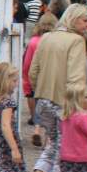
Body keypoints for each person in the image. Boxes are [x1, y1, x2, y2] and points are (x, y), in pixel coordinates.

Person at [26, 4, 87, 172]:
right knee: (64, 148)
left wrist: (39, 90)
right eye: (85, 20)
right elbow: (76, 76)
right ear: (73, 19)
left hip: (43, 99)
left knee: (53, 142)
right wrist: (82, 104)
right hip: (65, 102)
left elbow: (33, 71)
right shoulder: (76, 41)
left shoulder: (47, 37)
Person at [22, 10, 59, 148]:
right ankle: (48, 139)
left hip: (36, 79)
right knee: (51, 110)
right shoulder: (55, 41)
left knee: (39, 107)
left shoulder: (33, 41)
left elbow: (27, 64)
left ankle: (37, 129)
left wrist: (27, 81)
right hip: (51, 79)